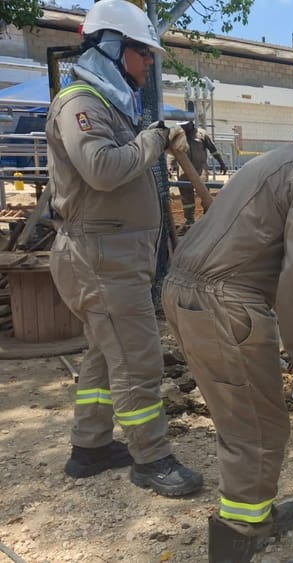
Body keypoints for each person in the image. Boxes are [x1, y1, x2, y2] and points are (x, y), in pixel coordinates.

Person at [161, 86, 293, 561]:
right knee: (258, 427)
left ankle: (252, 516)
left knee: (244, 419)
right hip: (225, 302)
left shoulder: (276, 161)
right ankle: (239, 538)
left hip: (186, 293)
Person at [45, 0, 203, 497]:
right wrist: (154, 139)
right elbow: (104, 170)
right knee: (137, 359)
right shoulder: (81, 104)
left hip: (114, 255)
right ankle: (151, 458)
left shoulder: (109, 103)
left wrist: (149, 135)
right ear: (114, 48)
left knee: (101, 353)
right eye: (143, 53)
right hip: (101, 258)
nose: (149, 63)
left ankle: (89, 448)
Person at [170, 121, 227, 225]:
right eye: (181, 126)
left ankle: (208, 216)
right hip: (184, 172)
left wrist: (221, 163)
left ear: (191, 124)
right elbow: (172, 153)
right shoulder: (177, 136)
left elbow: (213, 150)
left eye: (185, 125)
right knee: (186, 196)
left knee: (204, 192)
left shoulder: (201, 134)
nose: (183, 127)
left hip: (200, 170)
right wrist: (169, 166)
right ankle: (189, 219)